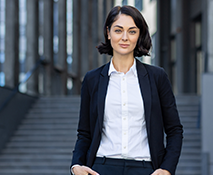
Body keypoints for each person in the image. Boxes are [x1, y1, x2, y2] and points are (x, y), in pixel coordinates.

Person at [71, 5, 183, 175]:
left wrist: (166, 169)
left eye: (132, 31)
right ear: (108, 33)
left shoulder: (157, 77)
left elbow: (175, 130)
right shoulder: (92, 79)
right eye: (118, 30)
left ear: (139, 35)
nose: (125, 37)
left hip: (146, 168)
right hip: (102, 167)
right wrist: (76, 165)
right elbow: (84, 132)